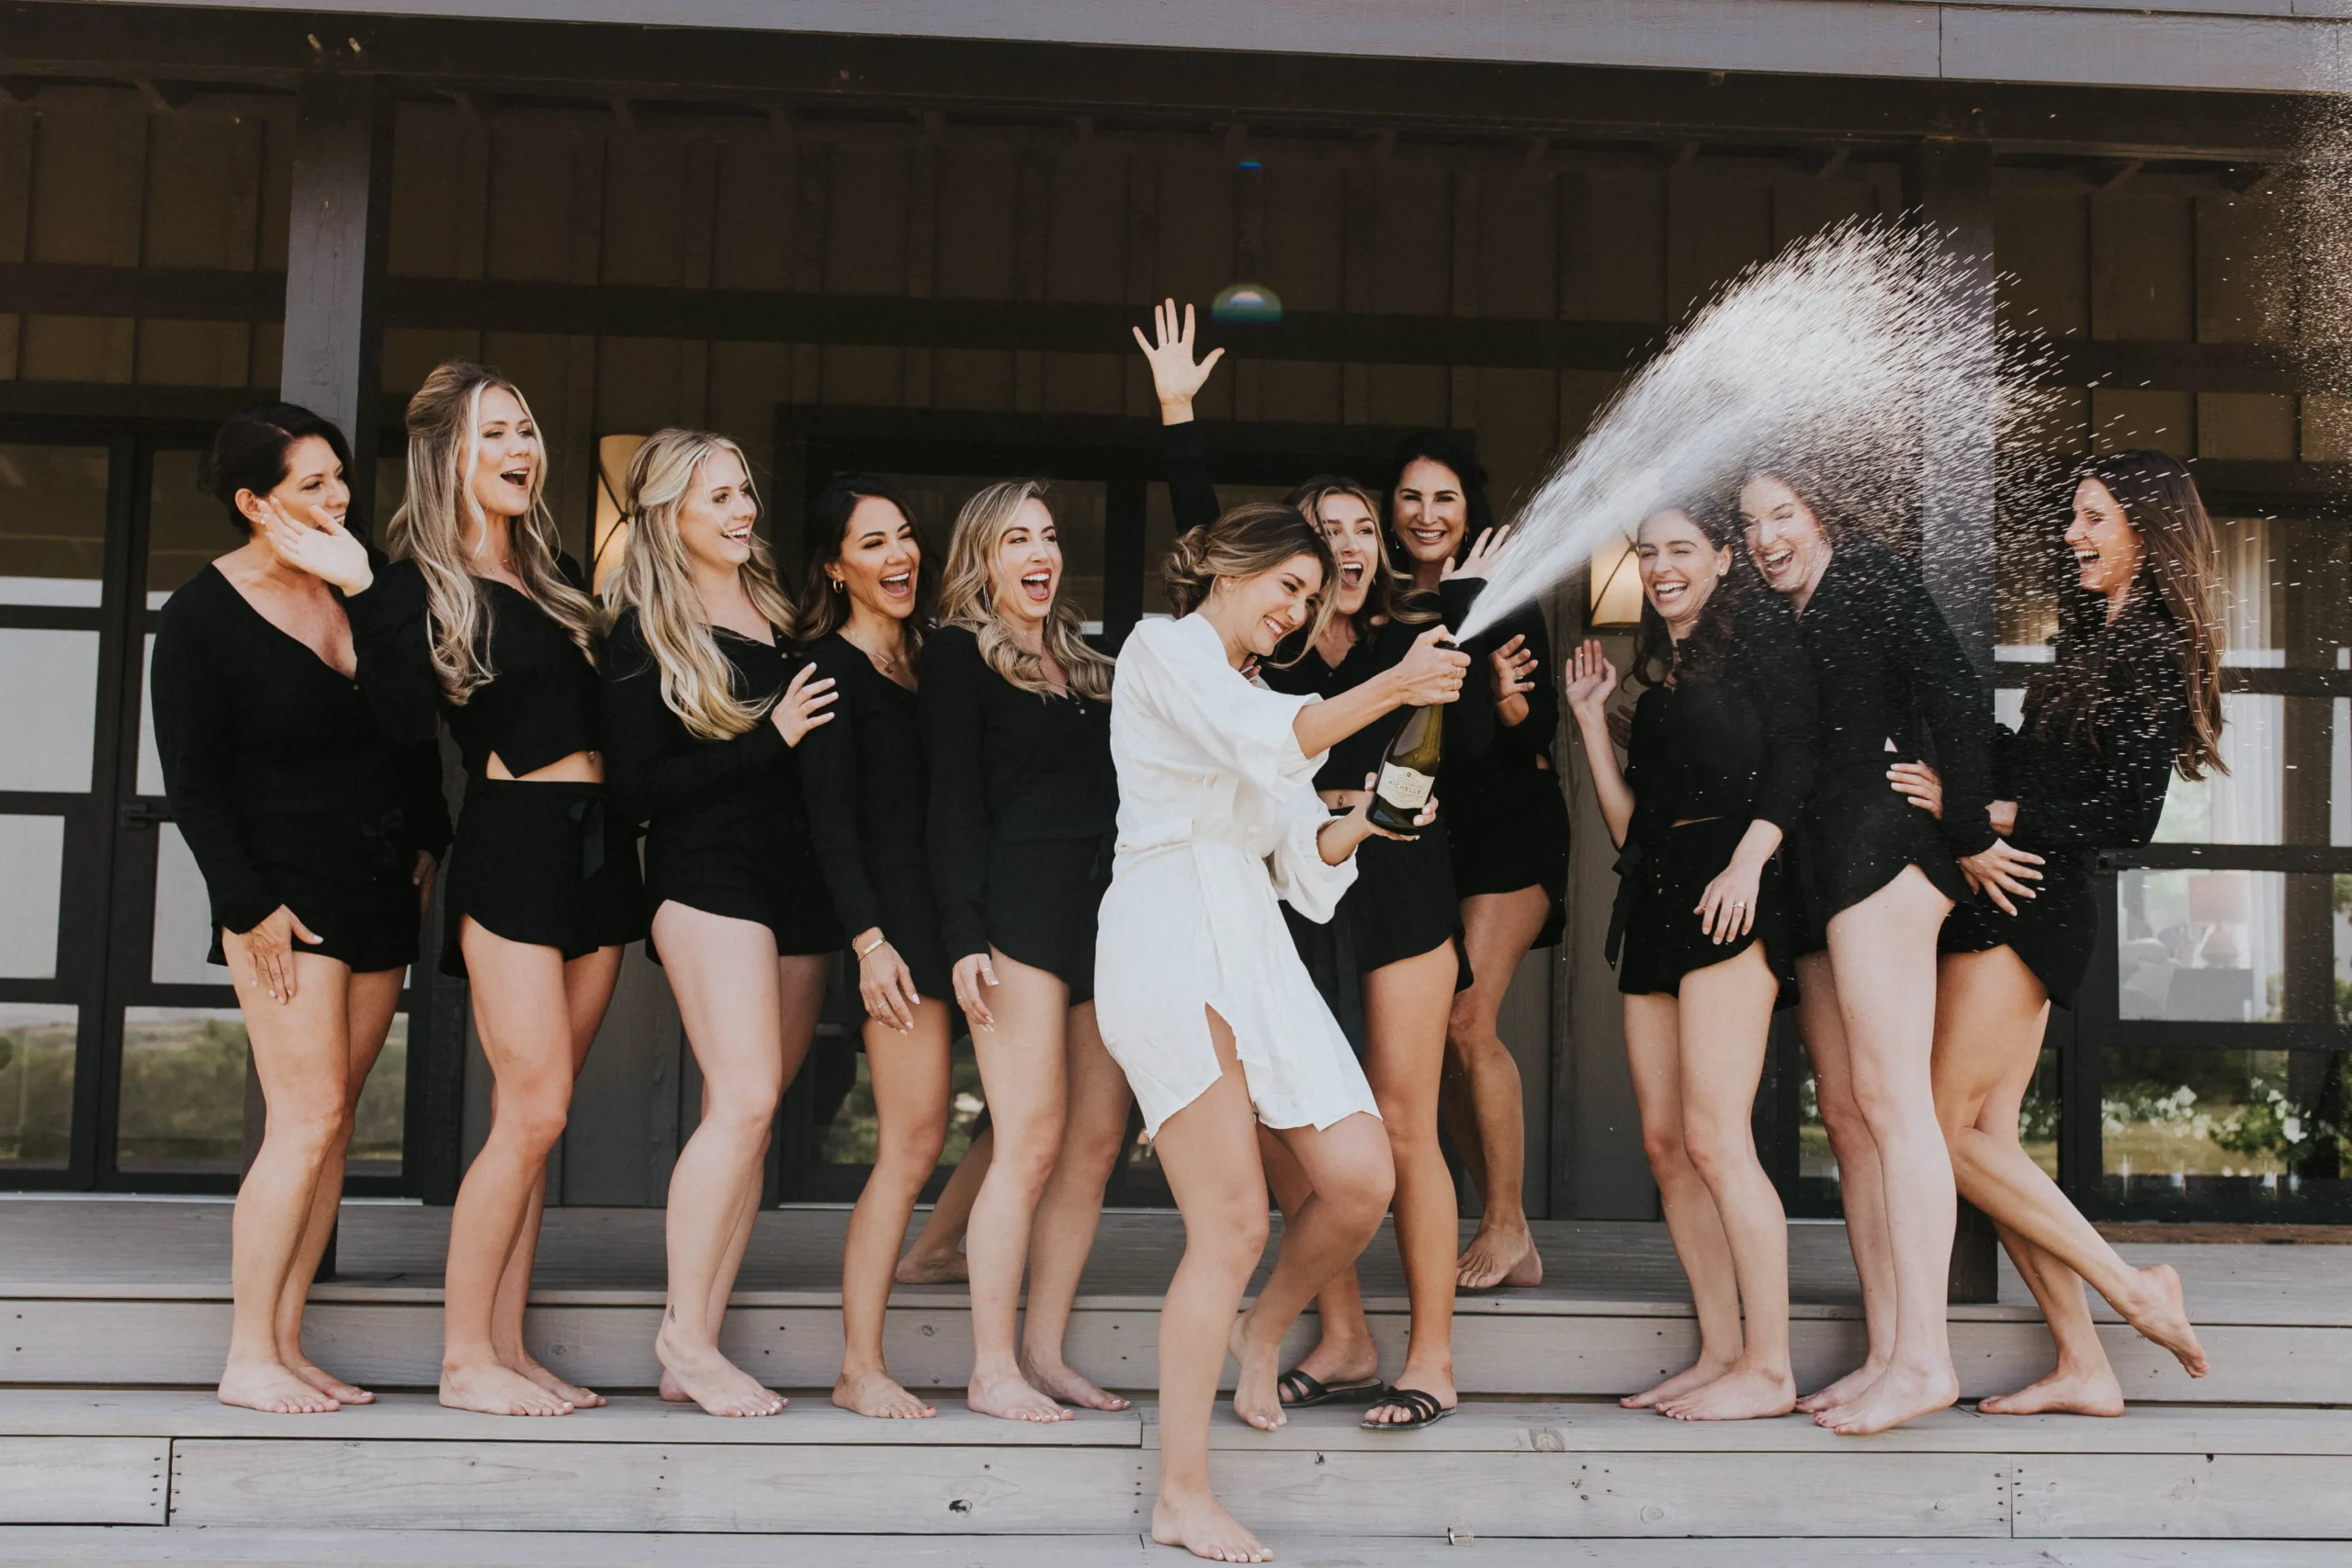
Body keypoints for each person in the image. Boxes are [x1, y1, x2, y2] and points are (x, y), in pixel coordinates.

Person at [1134, 299, 1496, 1430]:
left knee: (1394, 1124)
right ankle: (1333, 1336)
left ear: (1384, 548)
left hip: (1383, 889)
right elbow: (1212, 572)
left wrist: (1379, 800)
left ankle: (1425, 1355)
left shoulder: (1416, 635)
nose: (1341, 548)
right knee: (1282, 1140)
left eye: (1358, 529)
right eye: (1320, 533)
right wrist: (1179, 414)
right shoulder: (1250, 659)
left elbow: (1449, 763)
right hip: (1244, 903)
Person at [1096, 500, 1466, 1563]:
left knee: (1359, 1177)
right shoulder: (1163, 651)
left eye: (1310, 597)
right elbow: (1261, 736)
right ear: (1227, 570)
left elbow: (1301, 867)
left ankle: (1264, 1332)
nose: (1297, 609)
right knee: (1230, 1224)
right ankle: (1180, 1494)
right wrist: (1395, 684)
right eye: (1285, 587)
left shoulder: (1271, 694)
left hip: (1252, 943)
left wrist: (1367, 823)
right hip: (1166, 930)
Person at [299, 361, 642, 1416]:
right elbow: (400, 720)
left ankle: (507, 1342)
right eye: (497, 433)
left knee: (542, 1113)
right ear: (451, 454)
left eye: (528, 431)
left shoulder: (564, 577)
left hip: (597, 849)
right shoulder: (408, 585)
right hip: (516, 842)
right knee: (533, 1106)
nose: (520, 450)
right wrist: (364, 590)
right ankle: (462, 1359)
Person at [1884, 451, 2218, 1413]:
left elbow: (2123, 813)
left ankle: (2131, 1288)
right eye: (2074, 516)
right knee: (1987, 1135)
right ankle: (2082, 1364)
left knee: (1940, 1130)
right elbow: (2038, 768)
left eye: (2093, 519)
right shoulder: (2093, 630)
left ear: (2144, 533)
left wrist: (1981, 815)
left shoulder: (2150, 644)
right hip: (2020, 894)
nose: (2071, 535)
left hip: (2035, 901)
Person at [153, 404, 448, 1415]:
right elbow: (191, 782)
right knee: (307, 1116)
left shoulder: (367, 585)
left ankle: (286, 1342)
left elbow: (413, 727)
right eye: (311, 485)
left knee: (335, 1122)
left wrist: (427, 837)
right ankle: (247, 1354)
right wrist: (246, 905)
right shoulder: (199, 616)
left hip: (374, 884)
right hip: (283, 894)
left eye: (338, 481)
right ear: (252, 503)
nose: (336, 501)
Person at [1740, 465, 2042, 1436]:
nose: (1764, 536)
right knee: (1849, 1110)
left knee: (1892, 1099)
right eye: (1749, 523)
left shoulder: (1867, 575)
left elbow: (1956, 693)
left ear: (1820, 514)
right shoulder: (1784, 614)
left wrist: (1960, 822)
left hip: (1883, 852)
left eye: (1780, 514)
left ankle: (1926, 1358)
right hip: (1824, 872)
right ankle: (1883, 1350)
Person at [598, 429, 841, 1416]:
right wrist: (769, 738)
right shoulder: (640, 630)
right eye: (719, 498)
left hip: (795, 886)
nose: (743, 511)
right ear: (669, 515)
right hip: (708, 879)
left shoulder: (776, 611)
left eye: (746, 491)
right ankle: (687, 1337)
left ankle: (689, 1333)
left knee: (753, 1114)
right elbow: (639, 790)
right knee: (741, 1098)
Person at [1562, 502, 1818, 1422]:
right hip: (1657, 904)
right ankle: (1719, 1352)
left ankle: (1770, 1364)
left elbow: (1799, 754)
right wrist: (1592, 722)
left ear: (1720, 559)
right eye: (1648, 554)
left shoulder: (1758, 643)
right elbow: (1631, 827)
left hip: (1729, 896)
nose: (1663, 566)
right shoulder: (1664, 681)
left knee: (1716, 1138)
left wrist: (1751, 859)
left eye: (1681, 550)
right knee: (1668, 1149)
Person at [923, 479, 1136, 1421]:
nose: (1037, 553)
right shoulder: (958, 659)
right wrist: (963, 934)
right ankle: (990, 1366)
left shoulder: (1090, 669)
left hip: (1104, 915)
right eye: (1016, 539)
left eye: (1046, 537)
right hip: (1016, 916)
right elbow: (950, 804)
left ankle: (1044, 1355)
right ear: (983, 560)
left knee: (1094, 1145)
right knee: (1030, 1142)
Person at [1386, 431, 1567, 1291]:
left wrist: (1506, 698)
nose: (1427, 514)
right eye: (1413, 498)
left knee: (1466, 1020)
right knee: (1436, 1037)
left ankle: (1508, 1221)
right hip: (1430, 838)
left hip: (1509, 827)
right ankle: (1487, 1221)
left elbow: (1538, 730)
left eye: (1445, 499)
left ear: (1471, 513)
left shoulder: (1507, 589)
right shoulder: (1385, 604)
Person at [796, 474, 954, 1421]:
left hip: (965, 924)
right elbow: (829, 827)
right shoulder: (826, 671)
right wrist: (868, 943)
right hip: (892, 932)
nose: (899, 556)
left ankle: (939, 1249)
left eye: (904, 537)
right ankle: (859, 1362)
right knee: (910, 1143)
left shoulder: (936, 662)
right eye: (873, 544)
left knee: (1031, 1122)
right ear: (835, 566)